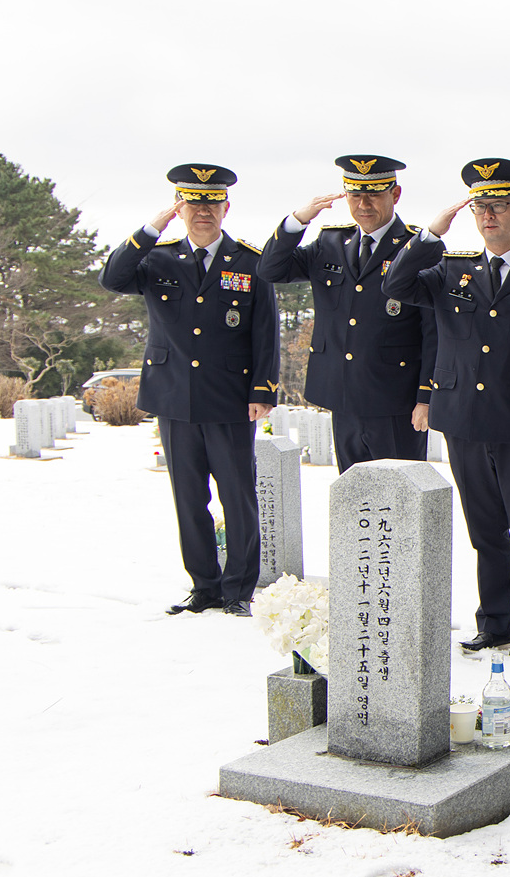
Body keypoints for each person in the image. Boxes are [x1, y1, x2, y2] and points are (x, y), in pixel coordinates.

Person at [382, 158, 510, 660]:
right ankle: (494, 621)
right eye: (480, 206)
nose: (489, 215)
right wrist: (430, 234)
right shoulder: (451, 270)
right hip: (463, 419)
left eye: (499, 205)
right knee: (484, 529)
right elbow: (395, 286)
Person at [100, 164, 279, 617]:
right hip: (174, 395)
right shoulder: (157, 258)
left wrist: (262, 389)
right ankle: (204, 586)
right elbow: (112, 278)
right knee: (188, 497)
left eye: (212, 203)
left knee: (237, 497)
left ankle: (238, 590)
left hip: (230, 397)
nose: (203, 211)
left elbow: (265, 332)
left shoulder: (250, 261)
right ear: (179, 209)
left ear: (226, 208)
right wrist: (150, 229)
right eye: (193, 203)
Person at [256, 155, 435, 471]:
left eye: (374, 194)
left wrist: (426, 397)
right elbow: (271, 269)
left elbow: (433, 330)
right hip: (341, 395)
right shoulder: (331, 241)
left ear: (395, 194)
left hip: (395, 399)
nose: (363, 204)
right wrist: (298, 220)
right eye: (354, 194)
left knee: (399, 492)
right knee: (352, 491)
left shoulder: (418, 247)